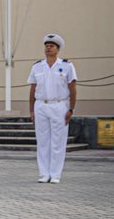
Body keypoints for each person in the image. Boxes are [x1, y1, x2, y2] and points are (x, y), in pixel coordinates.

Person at [28, 33, 78, 184]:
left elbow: (73, 88)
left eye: (51, 46)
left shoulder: (67, 66)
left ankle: (55, 174)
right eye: (46, 46)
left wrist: (71, 109)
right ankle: (44, 173)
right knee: (42, 141)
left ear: (58, 49)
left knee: (58, 141)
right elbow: (32, 89)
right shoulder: (37, 66)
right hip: (41, 105)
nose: (48, 48)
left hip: (59, 105)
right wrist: (31, 110)